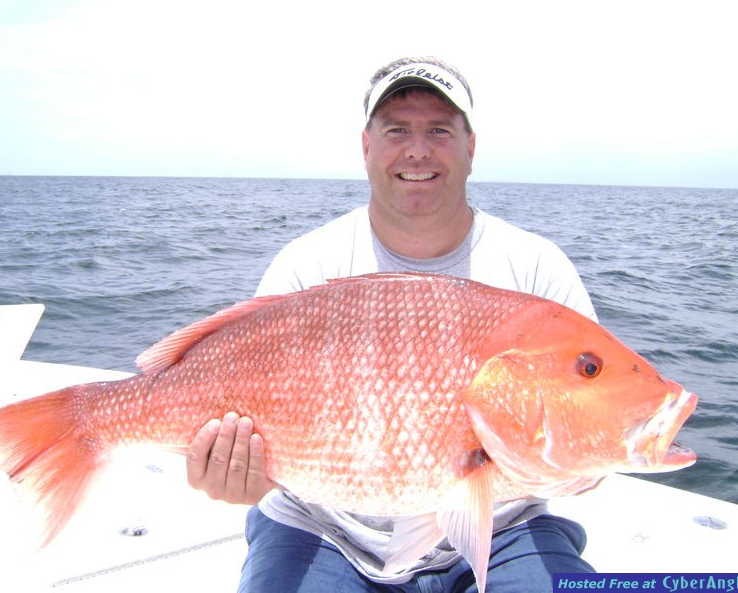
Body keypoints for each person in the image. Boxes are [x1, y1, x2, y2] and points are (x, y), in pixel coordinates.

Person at [186, 57, 597, 592]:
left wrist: (593, 460)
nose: (418, 149)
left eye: (440, 130)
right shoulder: (307, 264)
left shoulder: (537, 268)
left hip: (506, 526)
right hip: (320, 524)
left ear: (471, 147)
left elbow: (587, 429)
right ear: (366, 146)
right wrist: (233, 470)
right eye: (397, 129)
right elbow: (237, 412)